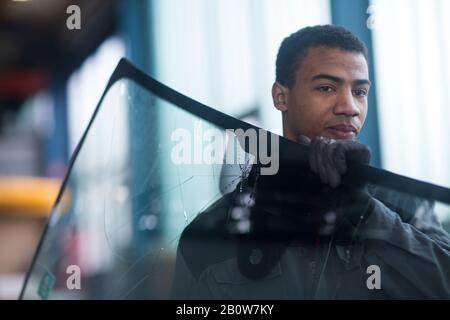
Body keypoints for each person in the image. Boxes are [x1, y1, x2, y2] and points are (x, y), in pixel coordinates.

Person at [171, 25, 450, 299]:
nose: (350, 107)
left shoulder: (403, 205)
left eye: (360, 92)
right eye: (327, 88)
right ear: (281, 96)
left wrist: (364, 211)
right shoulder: (212, 233)